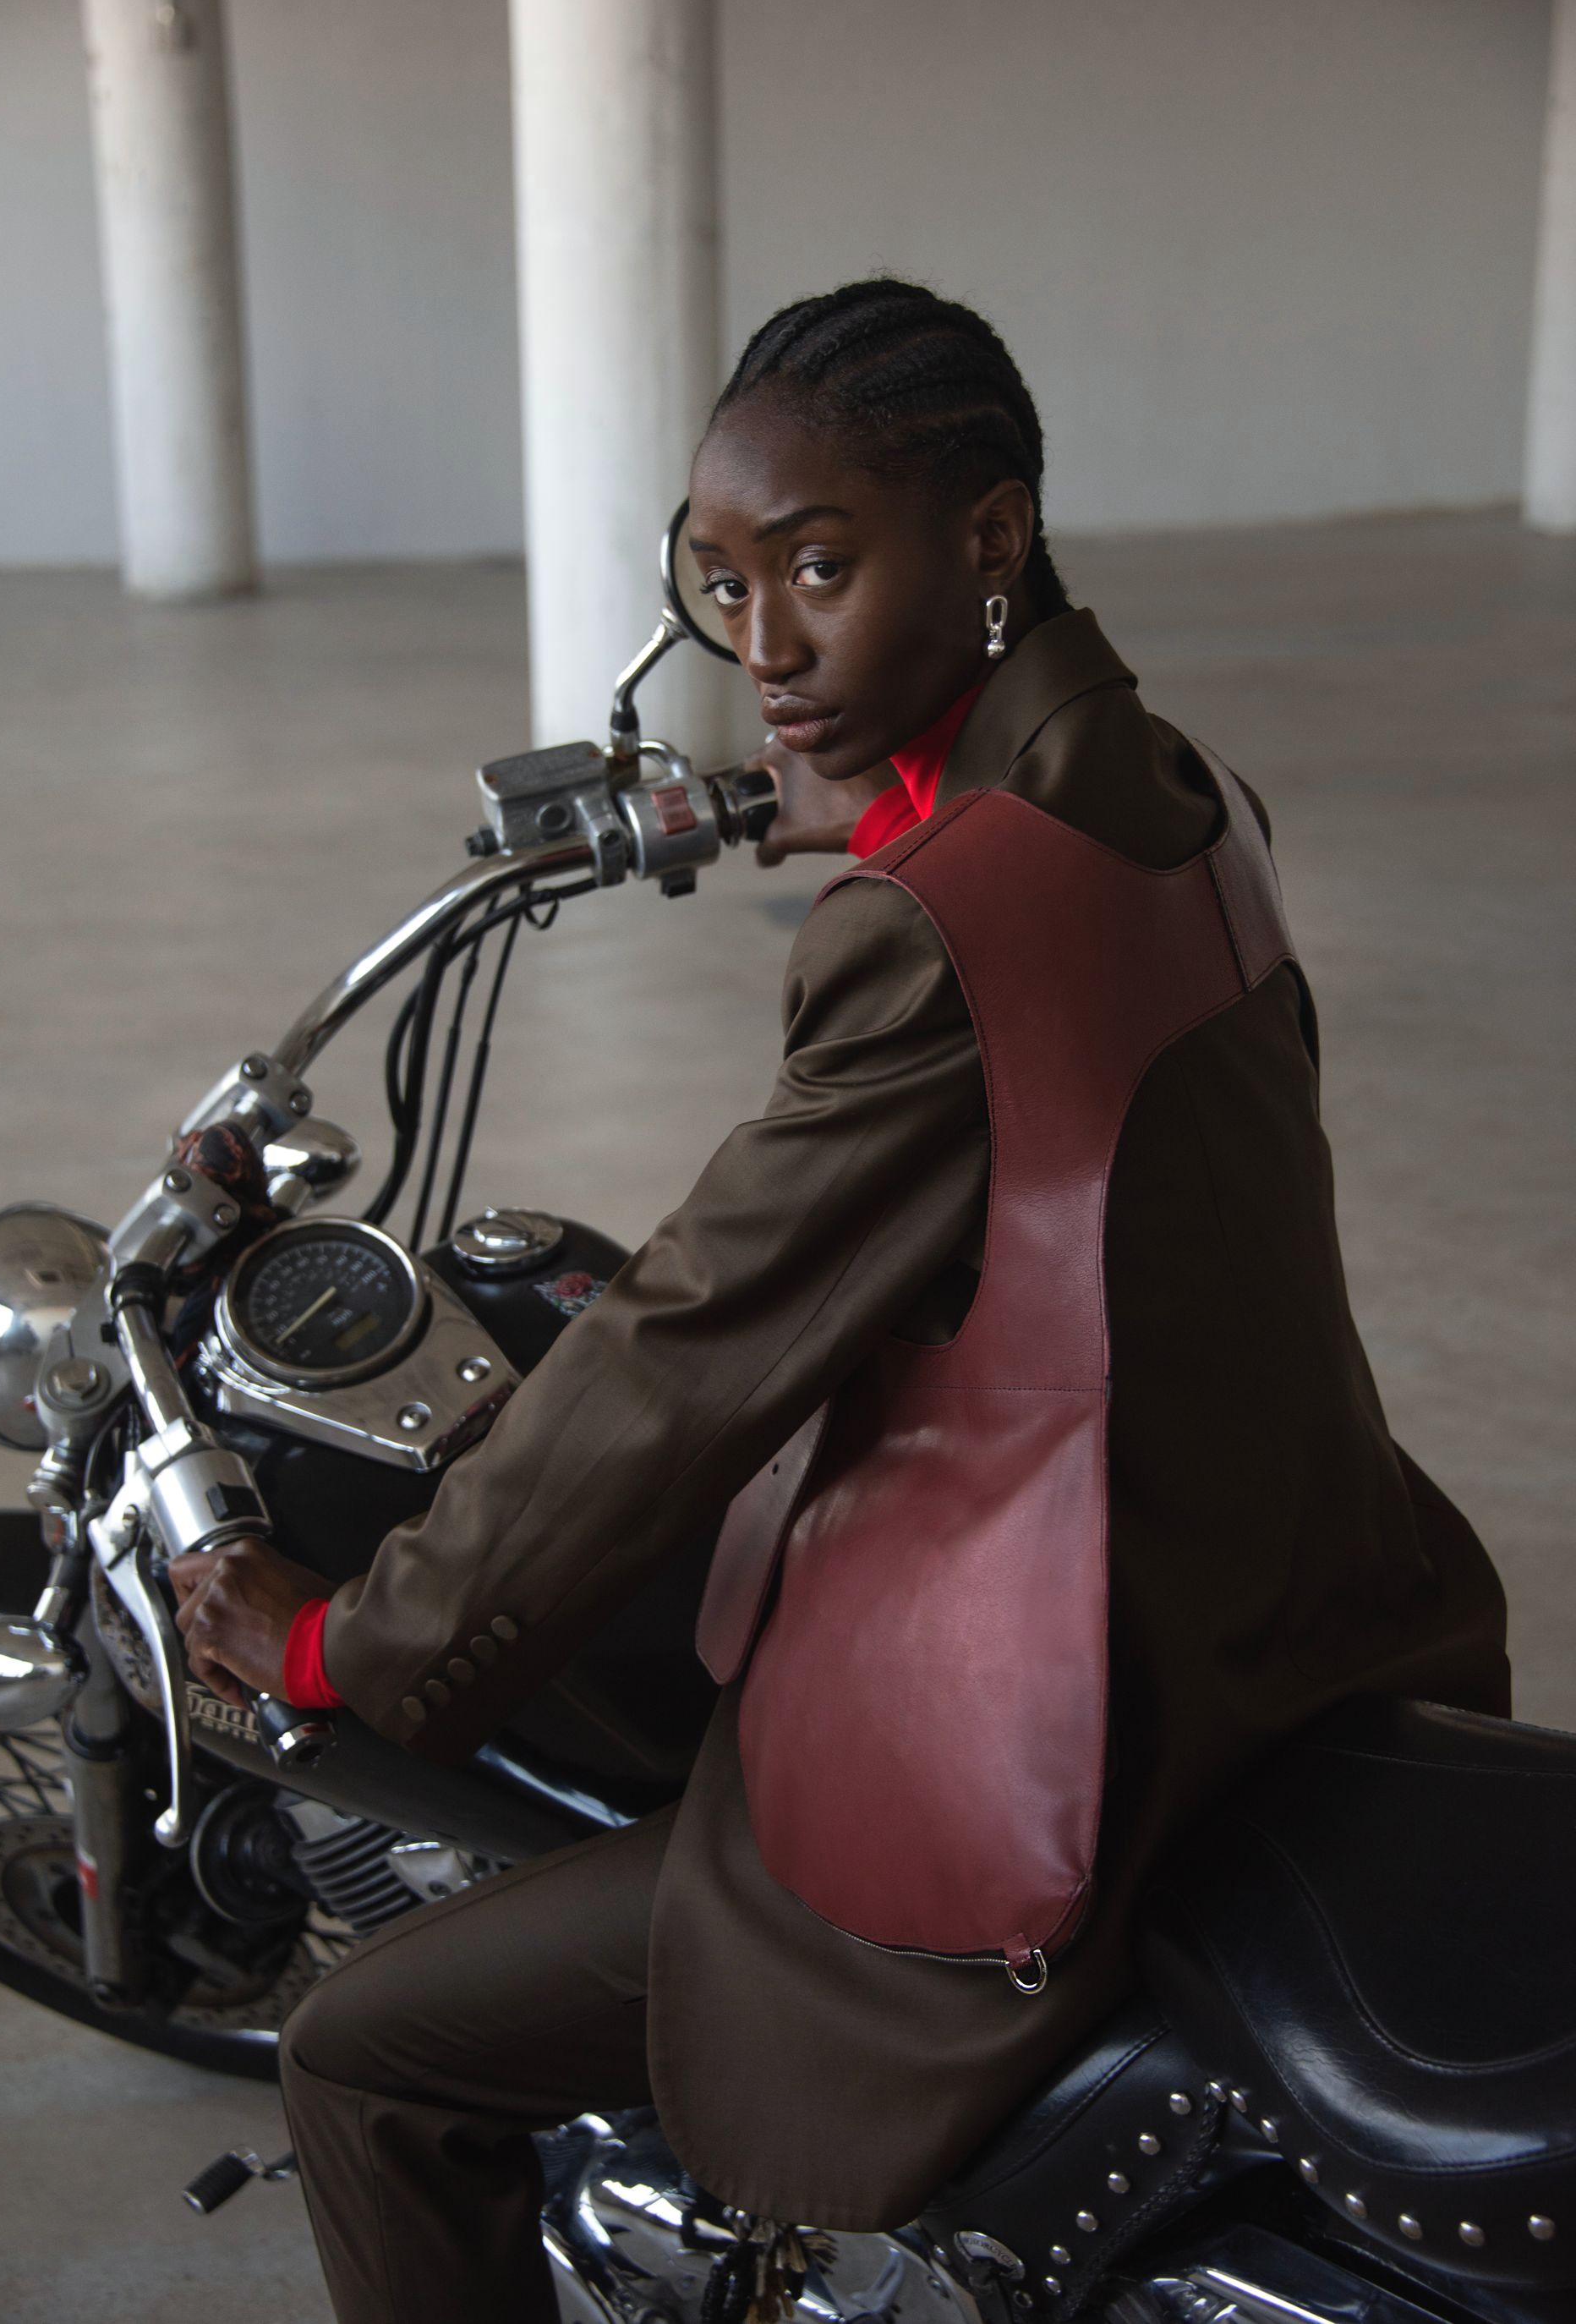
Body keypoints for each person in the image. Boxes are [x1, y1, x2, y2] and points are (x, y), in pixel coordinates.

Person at [170, 278, 1509, 2324]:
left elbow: (682, 1343)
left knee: (373, 2050)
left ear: (988, 535)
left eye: (818, 565)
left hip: (1071, 1726)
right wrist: (872, 798)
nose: (767, 649)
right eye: (720, 582)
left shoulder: (931, 934)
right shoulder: (1173, 792)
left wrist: (359, 1634)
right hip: (1293, 1595)